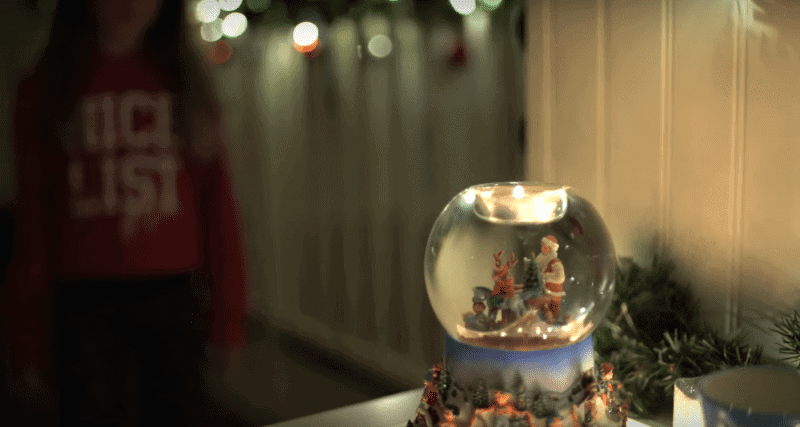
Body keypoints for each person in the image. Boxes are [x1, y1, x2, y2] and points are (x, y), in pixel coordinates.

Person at [2, 0, 249, 425]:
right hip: (83, 301)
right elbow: (34, 219)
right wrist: (26, 329)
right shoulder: (46, 88)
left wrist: (228, 311)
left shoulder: (187, 83)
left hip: (174, 295)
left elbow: (218, 206)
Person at [535, 235, 565, 323]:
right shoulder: (544, 263)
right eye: (542, 246)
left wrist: (544, 276)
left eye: (544, 247)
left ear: (551, 248)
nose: (542, 249)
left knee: (550, 313)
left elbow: (560, 277)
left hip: (553, 295)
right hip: (544, 293)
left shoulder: (555, 262)